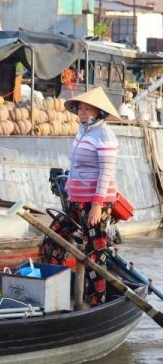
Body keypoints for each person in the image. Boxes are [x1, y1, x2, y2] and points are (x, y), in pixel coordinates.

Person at [41, 87, 119, 306]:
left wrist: (96, 205)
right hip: (76, 200)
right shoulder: (83, 131)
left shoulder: (105, 135)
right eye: (80, 108)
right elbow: (75, 166)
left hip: (96, 202)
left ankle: (95, 301)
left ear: (98, 111)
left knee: (94, 254)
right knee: (52, 240)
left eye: (87, 109)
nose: (81, 112)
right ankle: (56, 290)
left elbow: (106, 173)